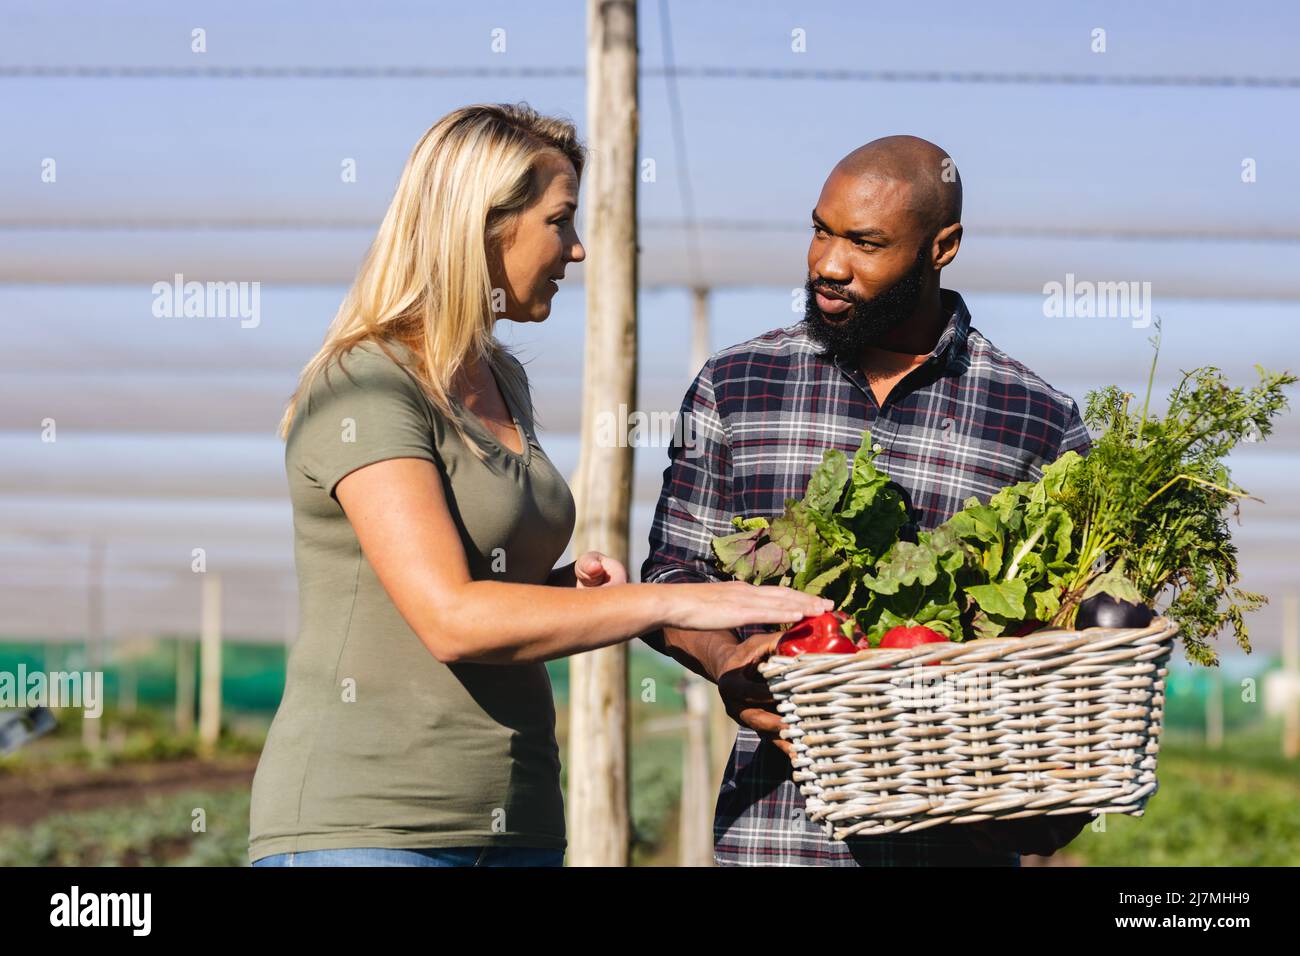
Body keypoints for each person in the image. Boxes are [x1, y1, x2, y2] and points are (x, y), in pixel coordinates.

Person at [247, 104, 831, 868]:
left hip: (514, 821)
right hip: (372, 830)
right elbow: (451, 618)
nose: (579, 249)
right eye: (560, 220)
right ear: (485, 223)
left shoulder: (501, 379)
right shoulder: (367, 386)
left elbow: (479, 587)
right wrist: (672, 599)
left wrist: (565, 591)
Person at [640, 135, 1094, 866]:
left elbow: (1073, 633)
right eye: (820, 229)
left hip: (953, 837)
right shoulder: (739, 384)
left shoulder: (1036, 417)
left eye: (864, 242)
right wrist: (727, 663)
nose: (827, 263)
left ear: (941, 247)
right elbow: (670, 578)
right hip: (774, 835)